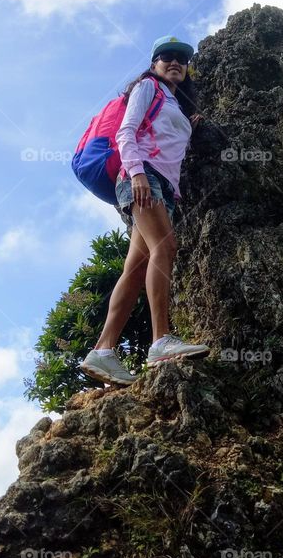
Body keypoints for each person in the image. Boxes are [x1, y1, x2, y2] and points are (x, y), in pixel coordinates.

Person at [80, 36, 210, 387]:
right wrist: (136, 172)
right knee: (165, 248)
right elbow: (127, 131)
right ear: (154, 64)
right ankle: (161, 341)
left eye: (181, 60)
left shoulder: (175, 103)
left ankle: (103, 351)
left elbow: (168, 139)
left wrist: (189, 125)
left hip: (161, 187)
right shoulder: (148, 87)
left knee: (135, 269)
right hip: (142, 179)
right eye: (166, 58)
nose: (175, 63)